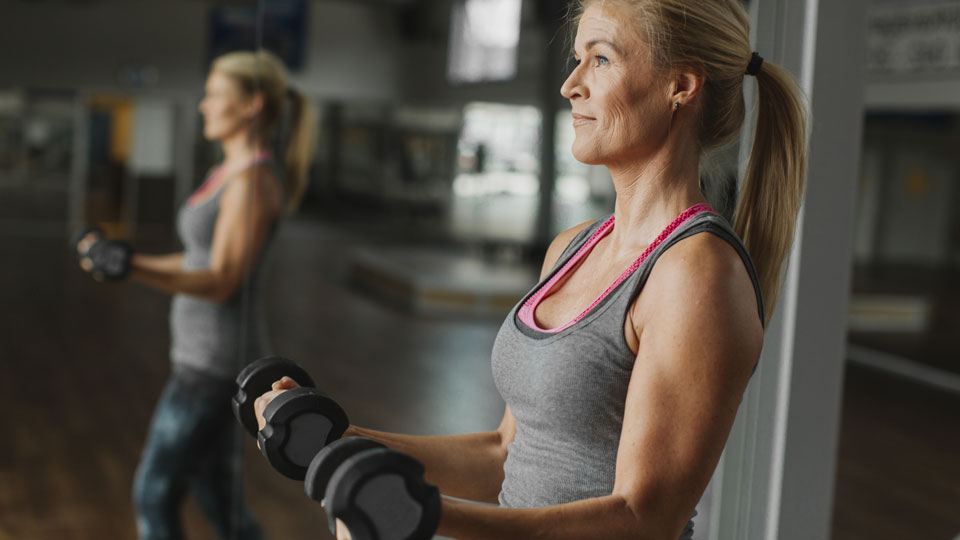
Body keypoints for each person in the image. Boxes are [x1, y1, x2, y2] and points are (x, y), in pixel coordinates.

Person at [258, 0, 806, 537]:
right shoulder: (573, 248)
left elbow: (643, 519)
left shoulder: (697, 274)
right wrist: (345, 441)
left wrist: (415, 514)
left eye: (602, 59)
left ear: (681, 85)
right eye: (577, 58)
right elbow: (505, 454)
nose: (571, 85)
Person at [79, 50, 316, 539]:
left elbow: (222, 279)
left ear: (252, 104)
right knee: (219, 498)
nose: (204, 105)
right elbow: (197, 260)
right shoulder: (230, 173)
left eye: (214, 95)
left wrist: (131, 267)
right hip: (208, 358)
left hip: (214, 365)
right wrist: (128, 261)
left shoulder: (253, 182)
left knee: (154, 493)